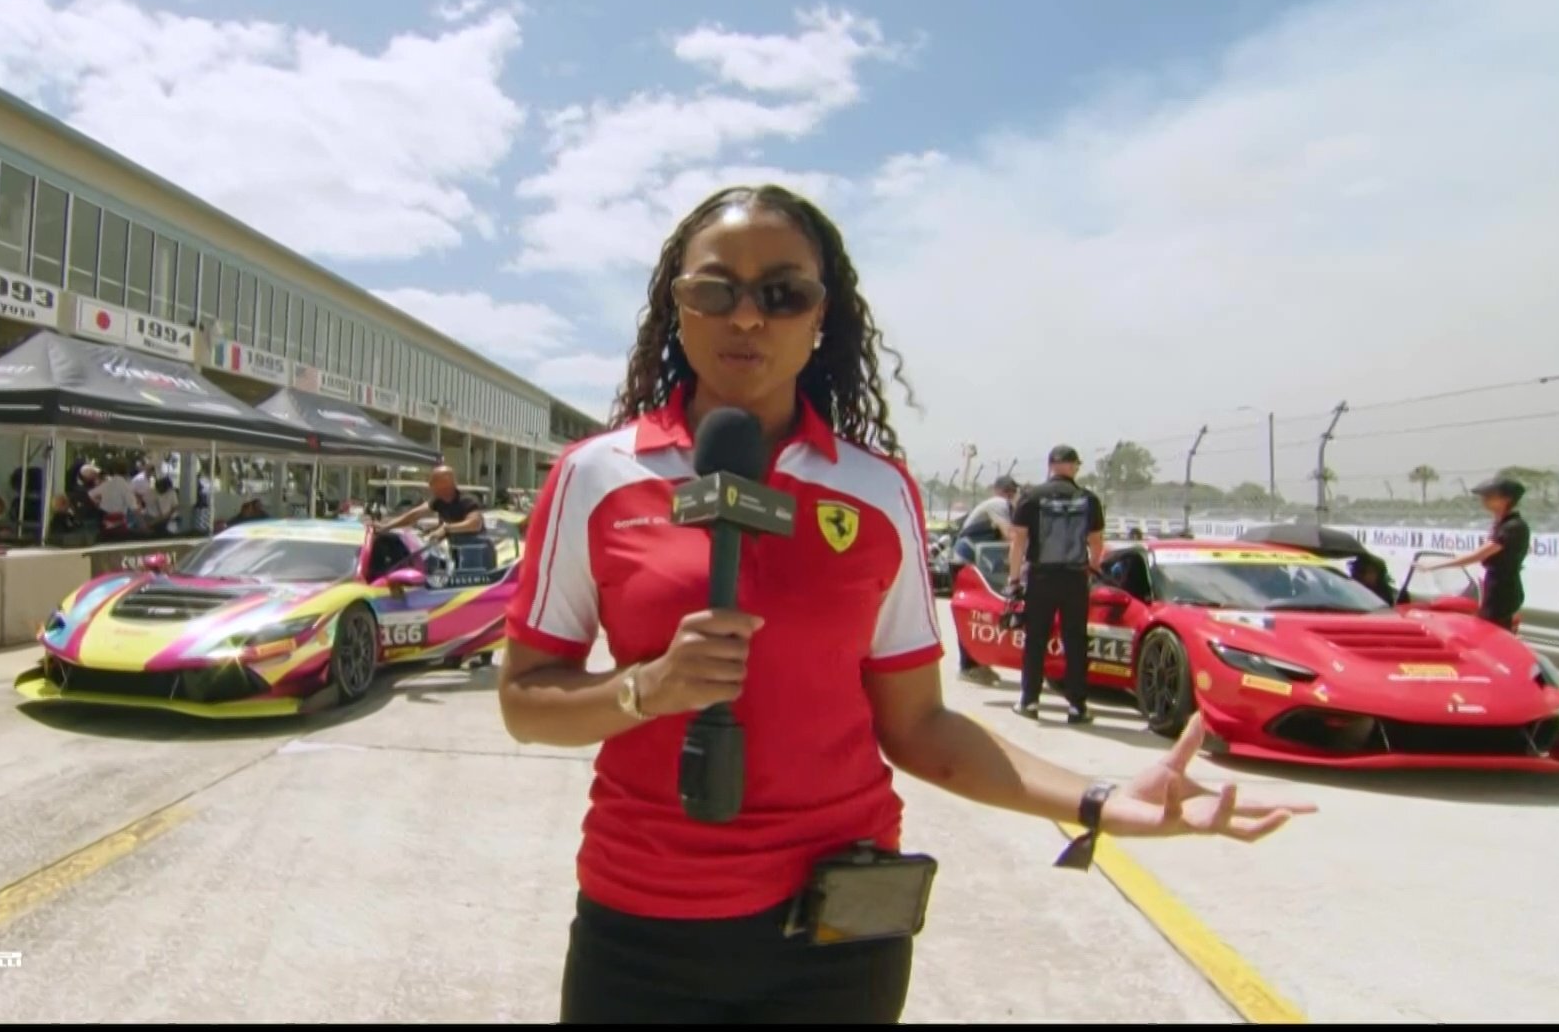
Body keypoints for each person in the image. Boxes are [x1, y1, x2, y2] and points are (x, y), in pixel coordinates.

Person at [495, 184, 1313, 1025]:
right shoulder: (597, 476)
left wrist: (1097, 798)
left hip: (839, 935)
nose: (747, 317)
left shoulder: (877, 491)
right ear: (678, 306)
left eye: (783, 293)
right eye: (716, 289)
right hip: (644, 927)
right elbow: (525, 701)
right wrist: (647, 689)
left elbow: (920, 725)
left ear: (821, 317)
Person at [1006, 446, 1106, 724]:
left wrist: (1014, 580)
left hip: (1041, 578)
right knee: (1075, 641)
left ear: (1050, 465)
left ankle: (1029, 701)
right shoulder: (1088, 499)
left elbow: (1018, 542)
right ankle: (1077, 707)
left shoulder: (1032, 497)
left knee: (1036, 639)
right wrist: (1092, 570)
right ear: (1074, 467)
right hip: (1075, 579)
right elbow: (1096, 543)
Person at [1431, 476, 1530, 630]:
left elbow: (1478, 555)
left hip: (1503, 590)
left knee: (1493, 631)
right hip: (1496, 585)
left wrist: (1434, 565)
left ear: (1506, 499)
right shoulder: (1503, 524)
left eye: (1490, 496)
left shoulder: (1512, 526)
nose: (1484, 500)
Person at [379, 466, 490, 568]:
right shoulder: (438, 501)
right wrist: (386, 526)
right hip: (456, 549)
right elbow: (414, 514)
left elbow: (475, 524)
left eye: (433, 481)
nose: (429, 484)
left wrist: (446, 528)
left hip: (475, 551)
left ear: (445, 483)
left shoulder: (467, 500)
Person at [953, 475, 1019, 563]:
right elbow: (1008, 535)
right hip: (969, 548)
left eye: (1013, 490)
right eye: (1009, 490)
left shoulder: (1002, 505)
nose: (1012, 494)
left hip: (975, 547)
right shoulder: (998, 503)